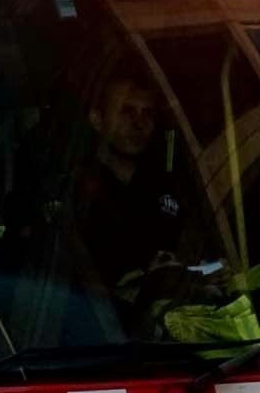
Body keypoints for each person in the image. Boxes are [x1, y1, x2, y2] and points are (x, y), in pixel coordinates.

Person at [68, 66, 210, 324]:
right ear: (96, 119)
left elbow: (197, 253)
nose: (139, 123)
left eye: (148, 113)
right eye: (126, 111)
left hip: (180, 331)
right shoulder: (73, 195)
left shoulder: (170, 190)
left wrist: (208, 271)